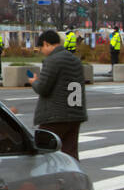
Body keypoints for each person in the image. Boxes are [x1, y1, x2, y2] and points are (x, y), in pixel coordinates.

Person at [27, 29, 87, 161]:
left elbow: (43, 88)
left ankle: (47, 180)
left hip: (55, 115)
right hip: (75, 113)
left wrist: (34, 81)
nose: (42, 51)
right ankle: (73, 178)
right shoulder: (75, 60)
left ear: (46, 44)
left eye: (41, 47)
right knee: (70, 154)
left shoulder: (53, 60)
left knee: (43, 154)